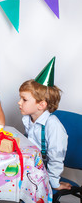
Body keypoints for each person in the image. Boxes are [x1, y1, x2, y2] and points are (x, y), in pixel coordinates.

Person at [18, 57, 71, 191]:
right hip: (31, 167)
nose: (19, 102)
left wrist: (54, 182)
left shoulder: (52, 126)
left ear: (41, 105)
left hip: (44, 172)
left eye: (24, 99)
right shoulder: (29, 119)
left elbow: (56, 156)